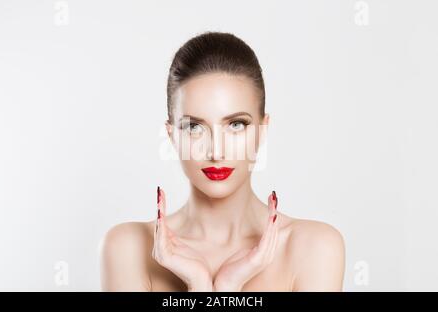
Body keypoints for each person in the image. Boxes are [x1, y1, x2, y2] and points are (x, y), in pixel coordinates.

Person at [100, 31, 345, 291]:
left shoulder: (314, 248)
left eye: (236, 124)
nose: (216, 151)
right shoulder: (128, 248)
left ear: (262, 129)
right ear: (172, 136)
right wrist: (200, 285)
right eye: (194, 127)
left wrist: (229, 286)